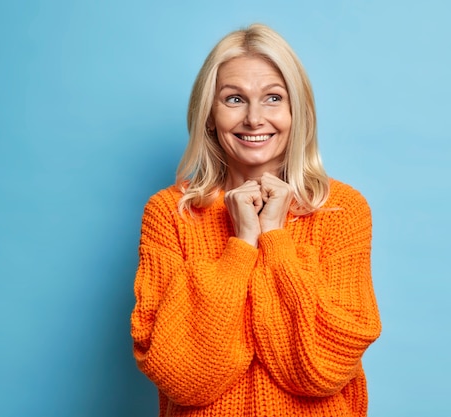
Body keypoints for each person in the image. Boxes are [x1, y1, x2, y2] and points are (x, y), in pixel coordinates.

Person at [131, 23, 381, 417]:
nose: (253, 118)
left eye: (273, 98)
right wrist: (242, 244)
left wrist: (276, 238)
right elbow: (183, 376)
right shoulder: (170, 213)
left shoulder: (342, 210)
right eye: (234, 99)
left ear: (296, 112)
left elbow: (321, 369)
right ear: (209, 115)